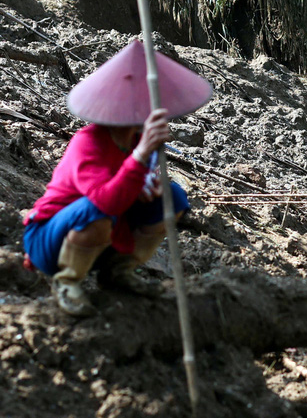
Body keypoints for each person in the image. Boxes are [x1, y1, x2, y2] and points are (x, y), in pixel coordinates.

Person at [22, 40, 212, 317]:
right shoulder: (88, 143)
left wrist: (148, 185)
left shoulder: (135, 141)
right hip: (53, 238)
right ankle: (67, 282)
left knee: (173, 197)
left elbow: (132, 186)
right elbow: (105, 201)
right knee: (97, 210)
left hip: (109, 231)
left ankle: (119, 270)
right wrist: (141, 153)